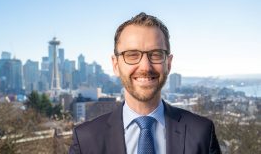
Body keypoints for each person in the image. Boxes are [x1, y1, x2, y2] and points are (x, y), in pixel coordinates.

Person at [69, 12, 221, 154]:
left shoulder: (202, 133)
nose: (145, 67)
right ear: (115, 65)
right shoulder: (85, 140)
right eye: (132, 55)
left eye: (155, 54)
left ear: (168, 63)